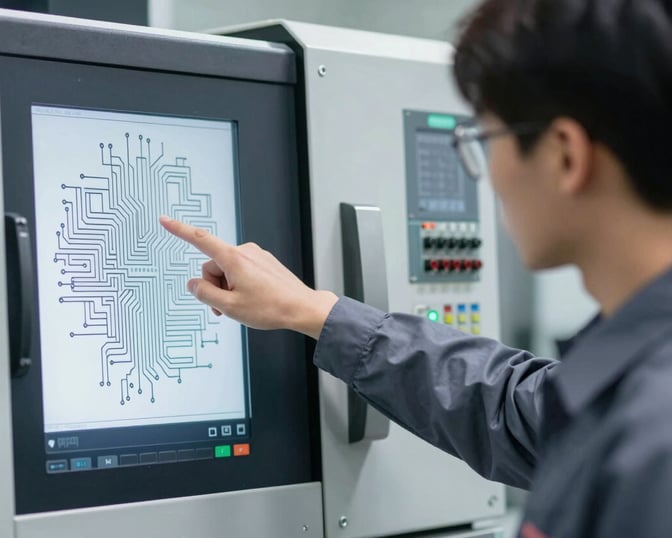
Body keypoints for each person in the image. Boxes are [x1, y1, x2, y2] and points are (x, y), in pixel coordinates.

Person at [160, 0, 672, 536]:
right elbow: (512, 408)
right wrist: (314, 310)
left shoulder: (653, 442)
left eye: (485, 141)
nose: (488, 176)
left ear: (565, 156)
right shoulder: (628, 390)